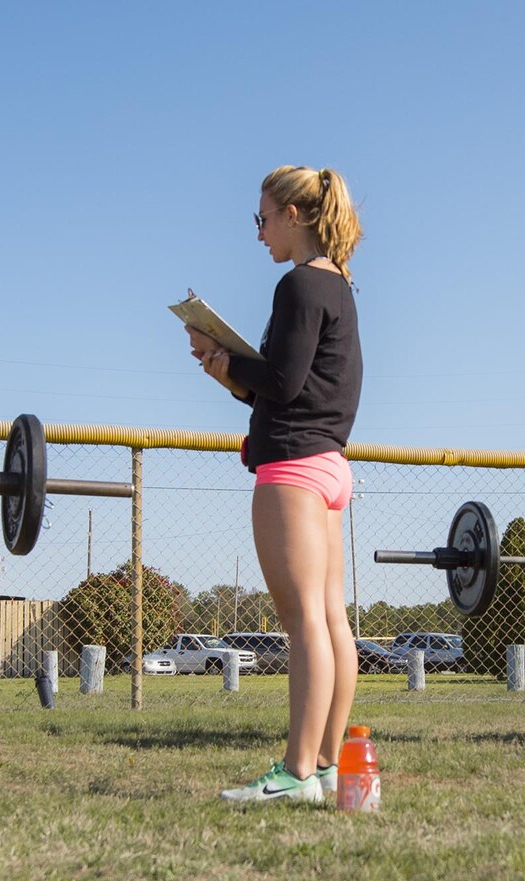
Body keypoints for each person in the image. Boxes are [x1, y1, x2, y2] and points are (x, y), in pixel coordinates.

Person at [187, 166, 363, 803]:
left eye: (262, 219)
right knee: (330, 620)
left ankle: (295, 772)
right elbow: (294, 385)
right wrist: (223, 369)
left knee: (302, 623)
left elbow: (283, 383)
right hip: (328, 464)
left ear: (294, 214)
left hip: (292, 467)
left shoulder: (298, 285)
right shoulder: (340, 285)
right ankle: (322, 766)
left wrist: (231, 359)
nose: (259, 233)